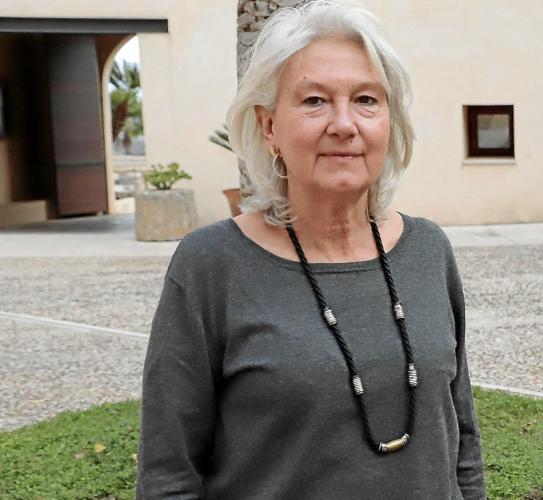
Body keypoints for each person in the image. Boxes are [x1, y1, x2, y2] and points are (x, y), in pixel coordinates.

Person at [135, 1, 486, 498]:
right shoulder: (212, 265)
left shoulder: (428, 250)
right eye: (315, 100)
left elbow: (461, 441)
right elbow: (168, 475)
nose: (344, 124)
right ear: (268, 127)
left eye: (366, 100)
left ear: (389, 122)